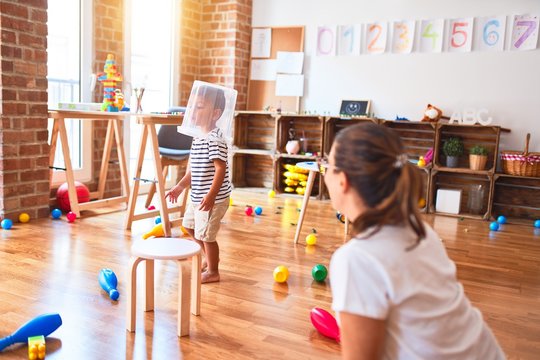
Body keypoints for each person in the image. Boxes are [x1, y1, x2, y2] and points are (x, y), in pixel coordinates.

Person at [322, 122, 504, 359]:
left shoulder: (356, 260)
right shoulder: (420, 232)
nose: (324, 171)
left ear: (342, 180)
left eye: (327, 163)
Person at [166, 85, 231, 284]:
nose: (193, 111)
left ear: (215, 113)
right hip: (197, 196)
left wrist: (211, 197)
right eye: (192, 106)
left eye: (200, 107)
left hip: (213, 198)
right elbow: (194, 169)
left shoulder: (215, 139)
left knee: (208, 235)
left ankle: (213, 271)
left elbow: (220, 169)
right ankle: (208, 257)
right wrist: (180, 186)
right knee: (190, 227)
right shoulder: (198, 137)